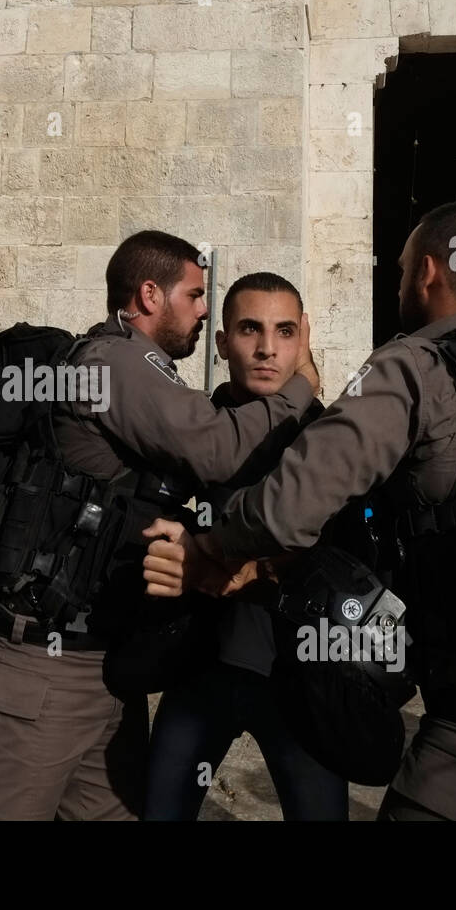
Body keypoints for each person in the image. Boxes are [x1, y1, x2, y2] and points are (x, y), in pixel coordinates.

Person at [143, 200, 456, 820]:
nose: (267, 348)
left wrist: (213, 552)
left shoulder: (413, 371)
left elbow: (298, 514)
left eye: (401, 270)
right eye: (249, 330)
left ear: (428, 273)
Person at [0, 230, 320, 820]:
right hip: (42, 669)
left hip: (98, 663)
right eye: (196, 295)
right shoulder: (116, 362)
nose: (205, 311)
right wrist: (302, 384)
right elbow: (218, 448)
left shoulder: (141, 367)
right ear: (150, 294)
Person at [144, 272, 348, 821]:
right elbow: (148, 530)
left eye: (284, 332)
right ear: (222, 342)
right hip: (202, 669)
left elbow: (353, 559)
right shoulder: (194, 431)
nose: (266, 348)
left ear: (303, 337)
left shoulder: (334, 436)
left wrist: (260, 570)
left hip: (300, 678)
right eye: (249, 329)